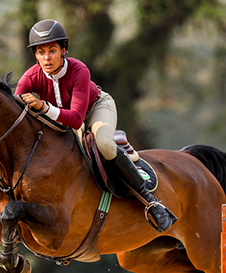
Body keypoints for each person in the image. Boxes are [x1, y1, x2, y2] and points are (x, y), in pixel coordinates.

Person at [15, 19, 177, 232]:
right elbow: (16, 105)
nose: (46, 58)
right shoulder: (31, 76)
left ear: (64, 50)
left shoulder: (78, 70)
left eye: (52, 50)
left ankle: (152, 203)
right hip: (60, 119)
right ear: (35, 55)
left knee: (104, 144)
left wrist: (43, 106)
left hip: (95, 108)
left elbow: (75, 119)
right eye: (41, 52)